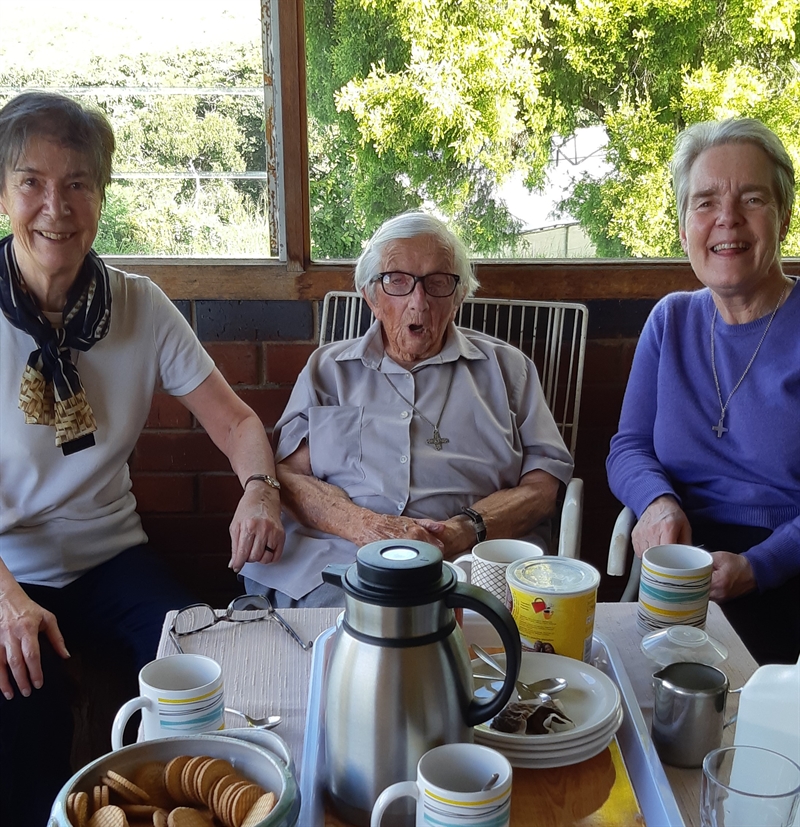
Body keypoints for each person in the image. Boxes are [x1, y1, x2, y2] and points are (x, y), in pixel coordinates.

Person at [0, 91, 284, 824]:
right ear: (3, 193)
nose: (55, 207)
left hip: (112, 555)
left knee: (198, 671)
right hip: (6, 564)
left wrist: (260, 487)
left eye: (78, 184)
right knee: (21, 710)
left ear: (101, 196)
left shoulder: (140, 305)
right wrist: (5, 597)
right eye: (32, 181)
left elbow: (237, 420)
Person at [240, 210, 574, 607]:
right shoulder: (328, 371)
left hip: (470, 563)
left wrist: (464, 530)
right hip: (340, 562)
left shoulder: (508, 370)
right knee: (342, 643)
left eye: (438, 283)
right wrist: (368, 527)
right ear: (371, 296)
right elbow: (288, 477)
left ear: (459, 296)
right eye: (397, 281)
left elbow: (543, 487)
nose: (419, 301)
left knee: (462, 639)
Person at [606, 118, 800, 665]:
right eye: (705, 202)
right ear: (684, 224)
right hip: (679, 562)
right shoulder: (671, 320)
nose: (727, 220)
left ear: (783, 215)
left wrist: (762, 566)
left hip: (786, 570)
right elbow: (629, 447)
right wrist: (656, 501)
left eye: (752, 198)